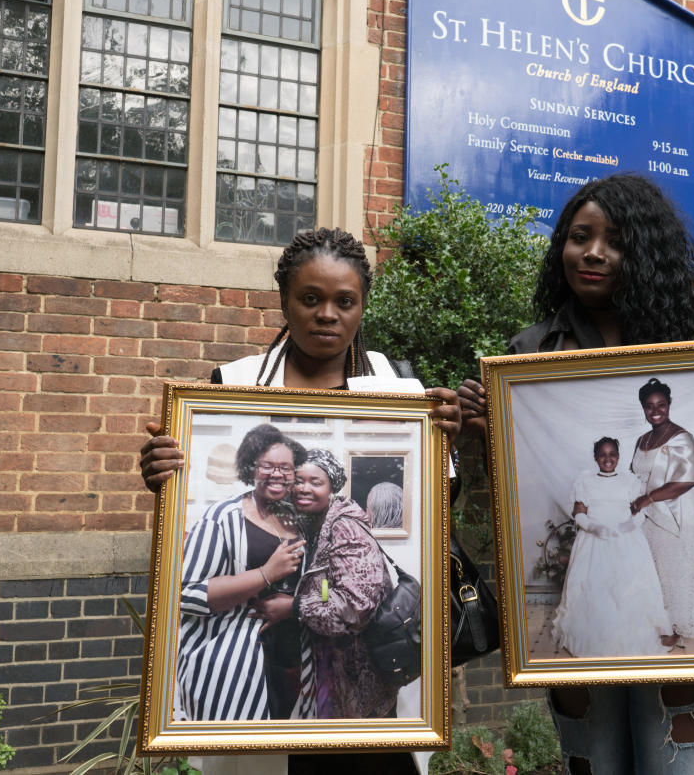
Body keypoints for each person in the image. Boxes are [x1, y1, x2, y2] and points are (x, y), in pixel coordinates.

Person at [458, 173, 694, 775]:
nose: (594, 252)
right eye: (580, 237)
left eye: (615, 240)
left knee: (678, 751)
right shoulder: (529, 351)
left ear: (645, 253)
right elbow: (514, 498)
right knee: (596, 756)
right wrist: (486, 436)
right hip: (582, 591)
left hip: (659, 538)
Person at [139, 227, 460, 775]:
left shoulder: (400, 391)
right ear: (284, 299)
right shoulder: (232, 386)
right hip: (260, 669)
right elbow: (194, 528)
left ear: (363, 305)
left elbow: (436, 508)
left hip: (354, 680)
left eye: (345, 301)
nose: (327, 314)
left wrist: (448, 445)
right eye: (310, 299)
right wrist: (164, 473)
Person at [177, 424, 307, 722]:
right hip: (233, 662)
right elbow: (188, 594)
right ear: (251, 468)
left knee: (280, 761)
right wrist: (265, 573)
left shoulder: (296, 519)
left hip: (289, 663)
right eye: (268, 466)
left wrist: (291, 608)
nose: (278, 474)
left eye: (286, 468)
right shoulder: (222, 518)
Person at [285, 448, 400, 719]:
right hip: (333, 675)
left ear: (331, 488)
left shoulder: (344, 527)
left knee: (363, 758)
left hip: (360, 682)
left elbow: (354, 609)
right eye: (298, 481)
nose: (304, 488)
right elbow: (329, 588)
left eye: (316, 482)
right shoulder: (313, 525)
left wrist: (295, 608)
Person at [550, 437, 668, 658]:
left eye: (612, 454)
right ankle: (595, 636)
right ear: (596, 458)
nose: (608, 459)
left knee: (626, 588)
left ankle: (629, 636)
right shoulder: (585, 481)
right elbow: (579, 513)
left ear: (619, 457)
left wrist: (627, 526)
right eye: (603, 454)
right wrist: (594, 527)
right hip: (594, 541)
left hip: (626, 540)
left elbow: (639, 512)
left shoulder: (630, 481)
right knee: (596, 588)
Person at [628, 378, 694, 650]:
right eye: (649, 406)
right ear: (643, 409)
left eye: (661, 405)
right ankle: (655, 622)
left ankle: (675, 626)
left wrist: (647, 498)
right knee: (651, 572)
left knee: (673, 571)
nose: (655, 410)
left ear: (669, 405)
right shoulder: (642, 439)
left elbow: (687, 481)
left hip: (674, 514)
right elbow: (632, 476)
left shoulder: (682, 438)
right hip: (645, 516)